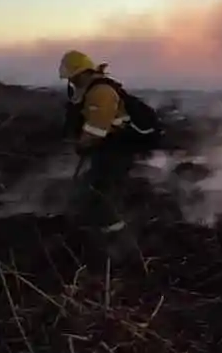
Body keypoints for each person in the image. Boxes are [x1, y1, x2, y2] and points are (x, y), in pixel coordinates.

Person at [58, 50, 162, 235]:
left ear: (82, 73)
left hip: (122, 144)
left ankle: (112, 227)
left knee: (100, 184)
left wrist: (82, 145)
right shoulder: (90, 89)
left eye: (73, 78)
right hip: (111, 142)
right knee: (97, 179)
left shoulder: (101, 92)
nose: (71, 82)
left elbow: (96, 130)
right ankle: (101, 219)